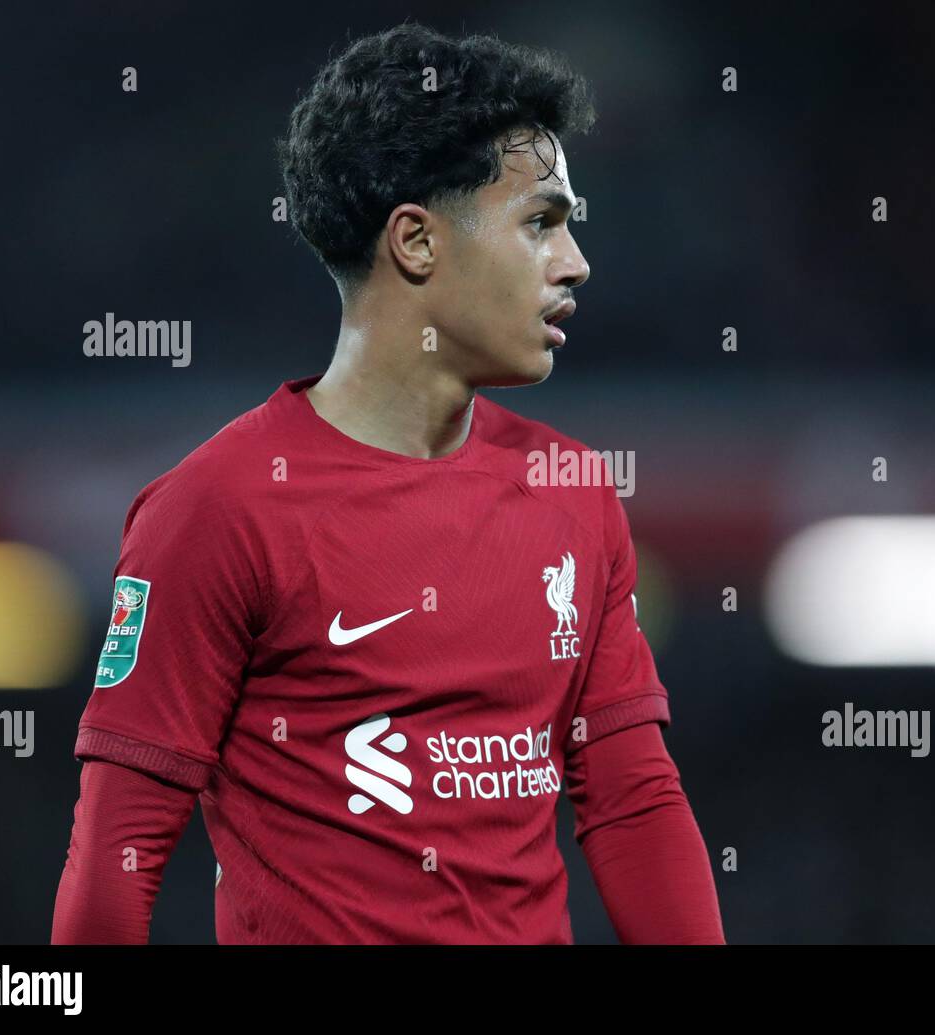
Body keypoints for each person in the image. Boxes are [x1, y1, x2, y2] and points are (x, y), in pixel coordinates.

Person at [52, 22, 724, 945]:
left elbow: (631, 798)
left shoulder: (574, 490)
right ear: (416, 241)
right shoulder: (218, 509)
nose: (576, 264)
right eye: (542, 223)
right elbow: (118, 855)